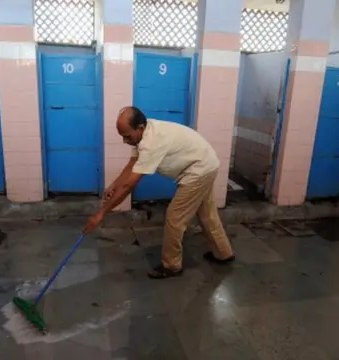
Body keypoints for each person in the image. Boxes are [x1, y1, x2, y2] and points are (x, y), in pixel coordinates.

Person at [83, 106, 235, 279]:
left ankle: (171, 266)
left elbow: (129, 187)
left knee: (175, 217)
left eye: (127, 136)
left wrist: (101, 214)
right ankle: (223, 253)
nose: (125, 141)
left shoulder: (151, 143)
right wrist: (113, 185)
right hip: (206, 163)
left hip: (199, 170)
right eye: (122, 137)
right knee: (206, 213)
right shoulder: (143, 134)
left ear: (139, 128)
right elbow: (133, 163)